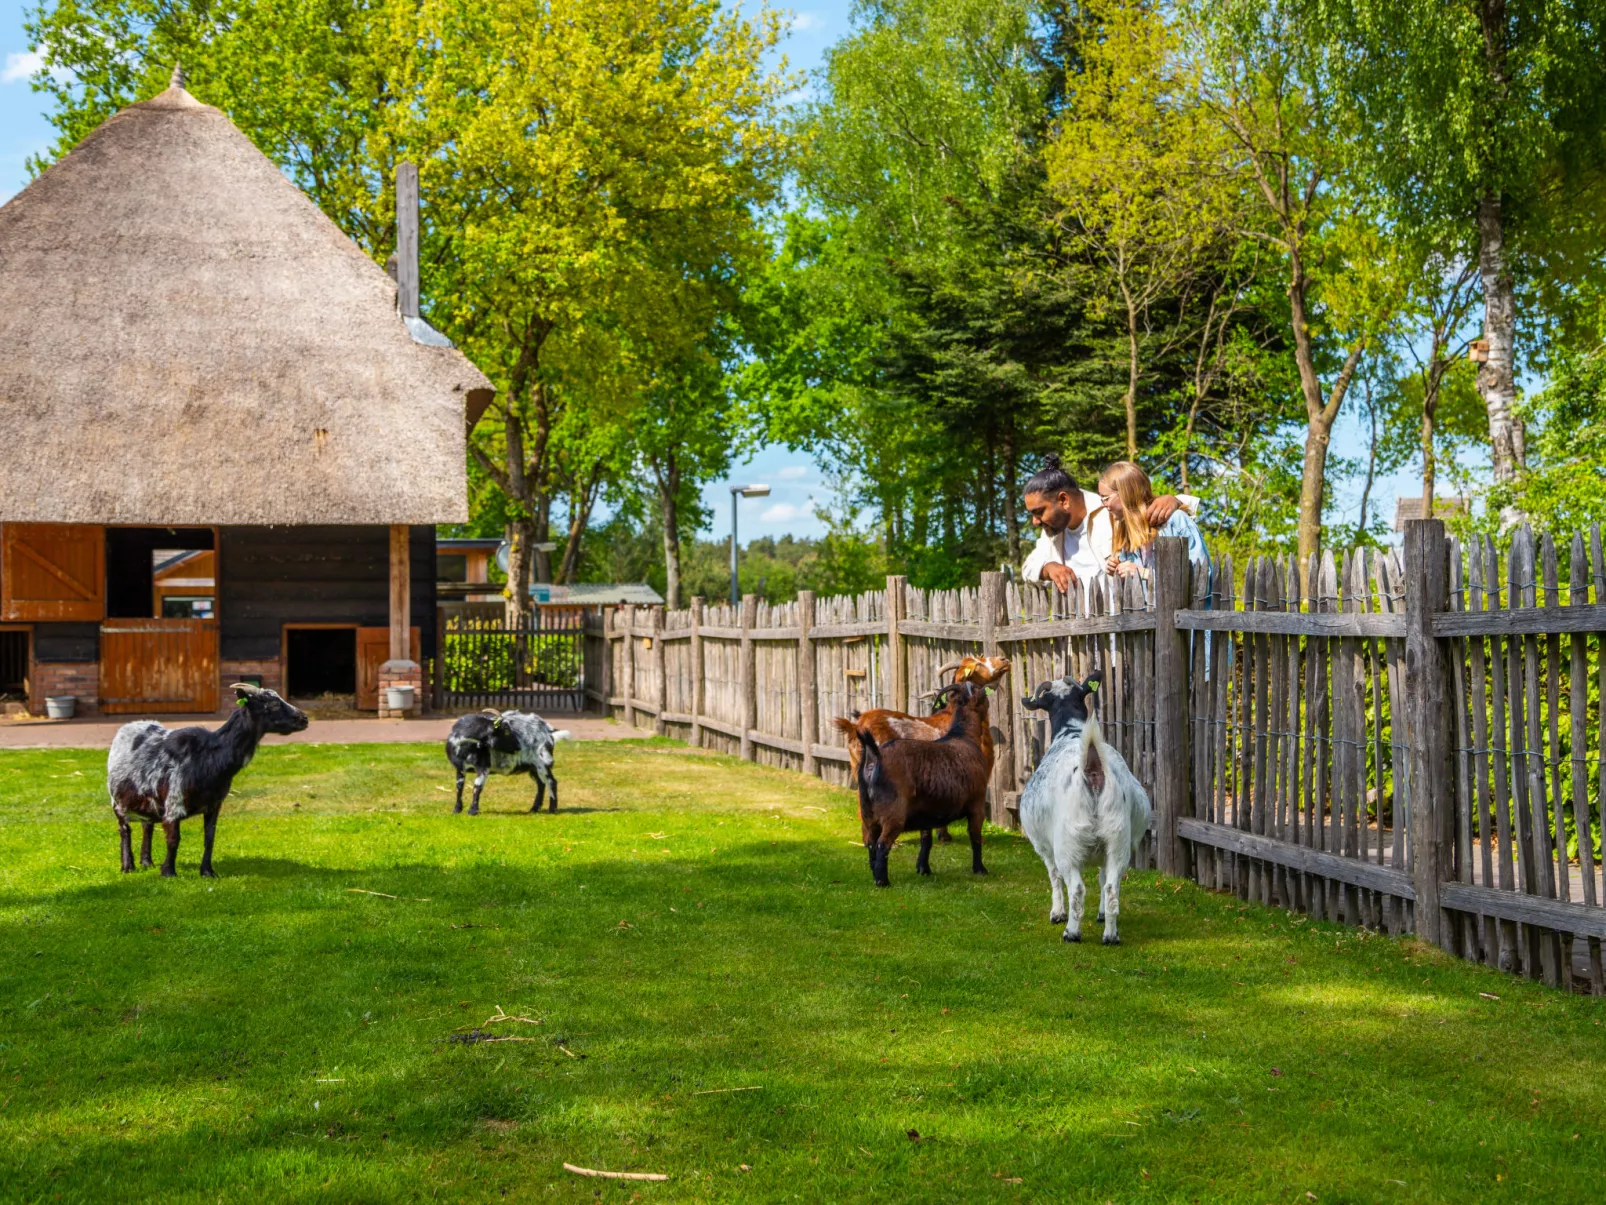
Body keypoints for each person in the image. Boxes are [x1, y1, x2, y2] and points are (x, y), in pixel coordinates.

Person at [1020, 454, 1187, 592]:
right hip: (1075, 629)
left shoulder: (1112, 511)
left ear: (1064, 499)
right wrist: (1048, 568)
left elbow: (1143, 507)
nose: (1035, 521)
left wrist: (1176, 500)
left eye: (1039, 512)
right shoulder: (1052, 531)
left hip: (1120, 625)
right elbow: (1028, 568)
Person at [1099, 460, 1209, 581]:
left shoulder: (1175, 521)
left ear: (1126, 494)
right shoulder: (1127, 534)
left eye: (1106, 498)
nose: (1103, 504)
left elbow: (1201, 579)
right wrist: (1118, 571)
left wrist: (1145, 574)